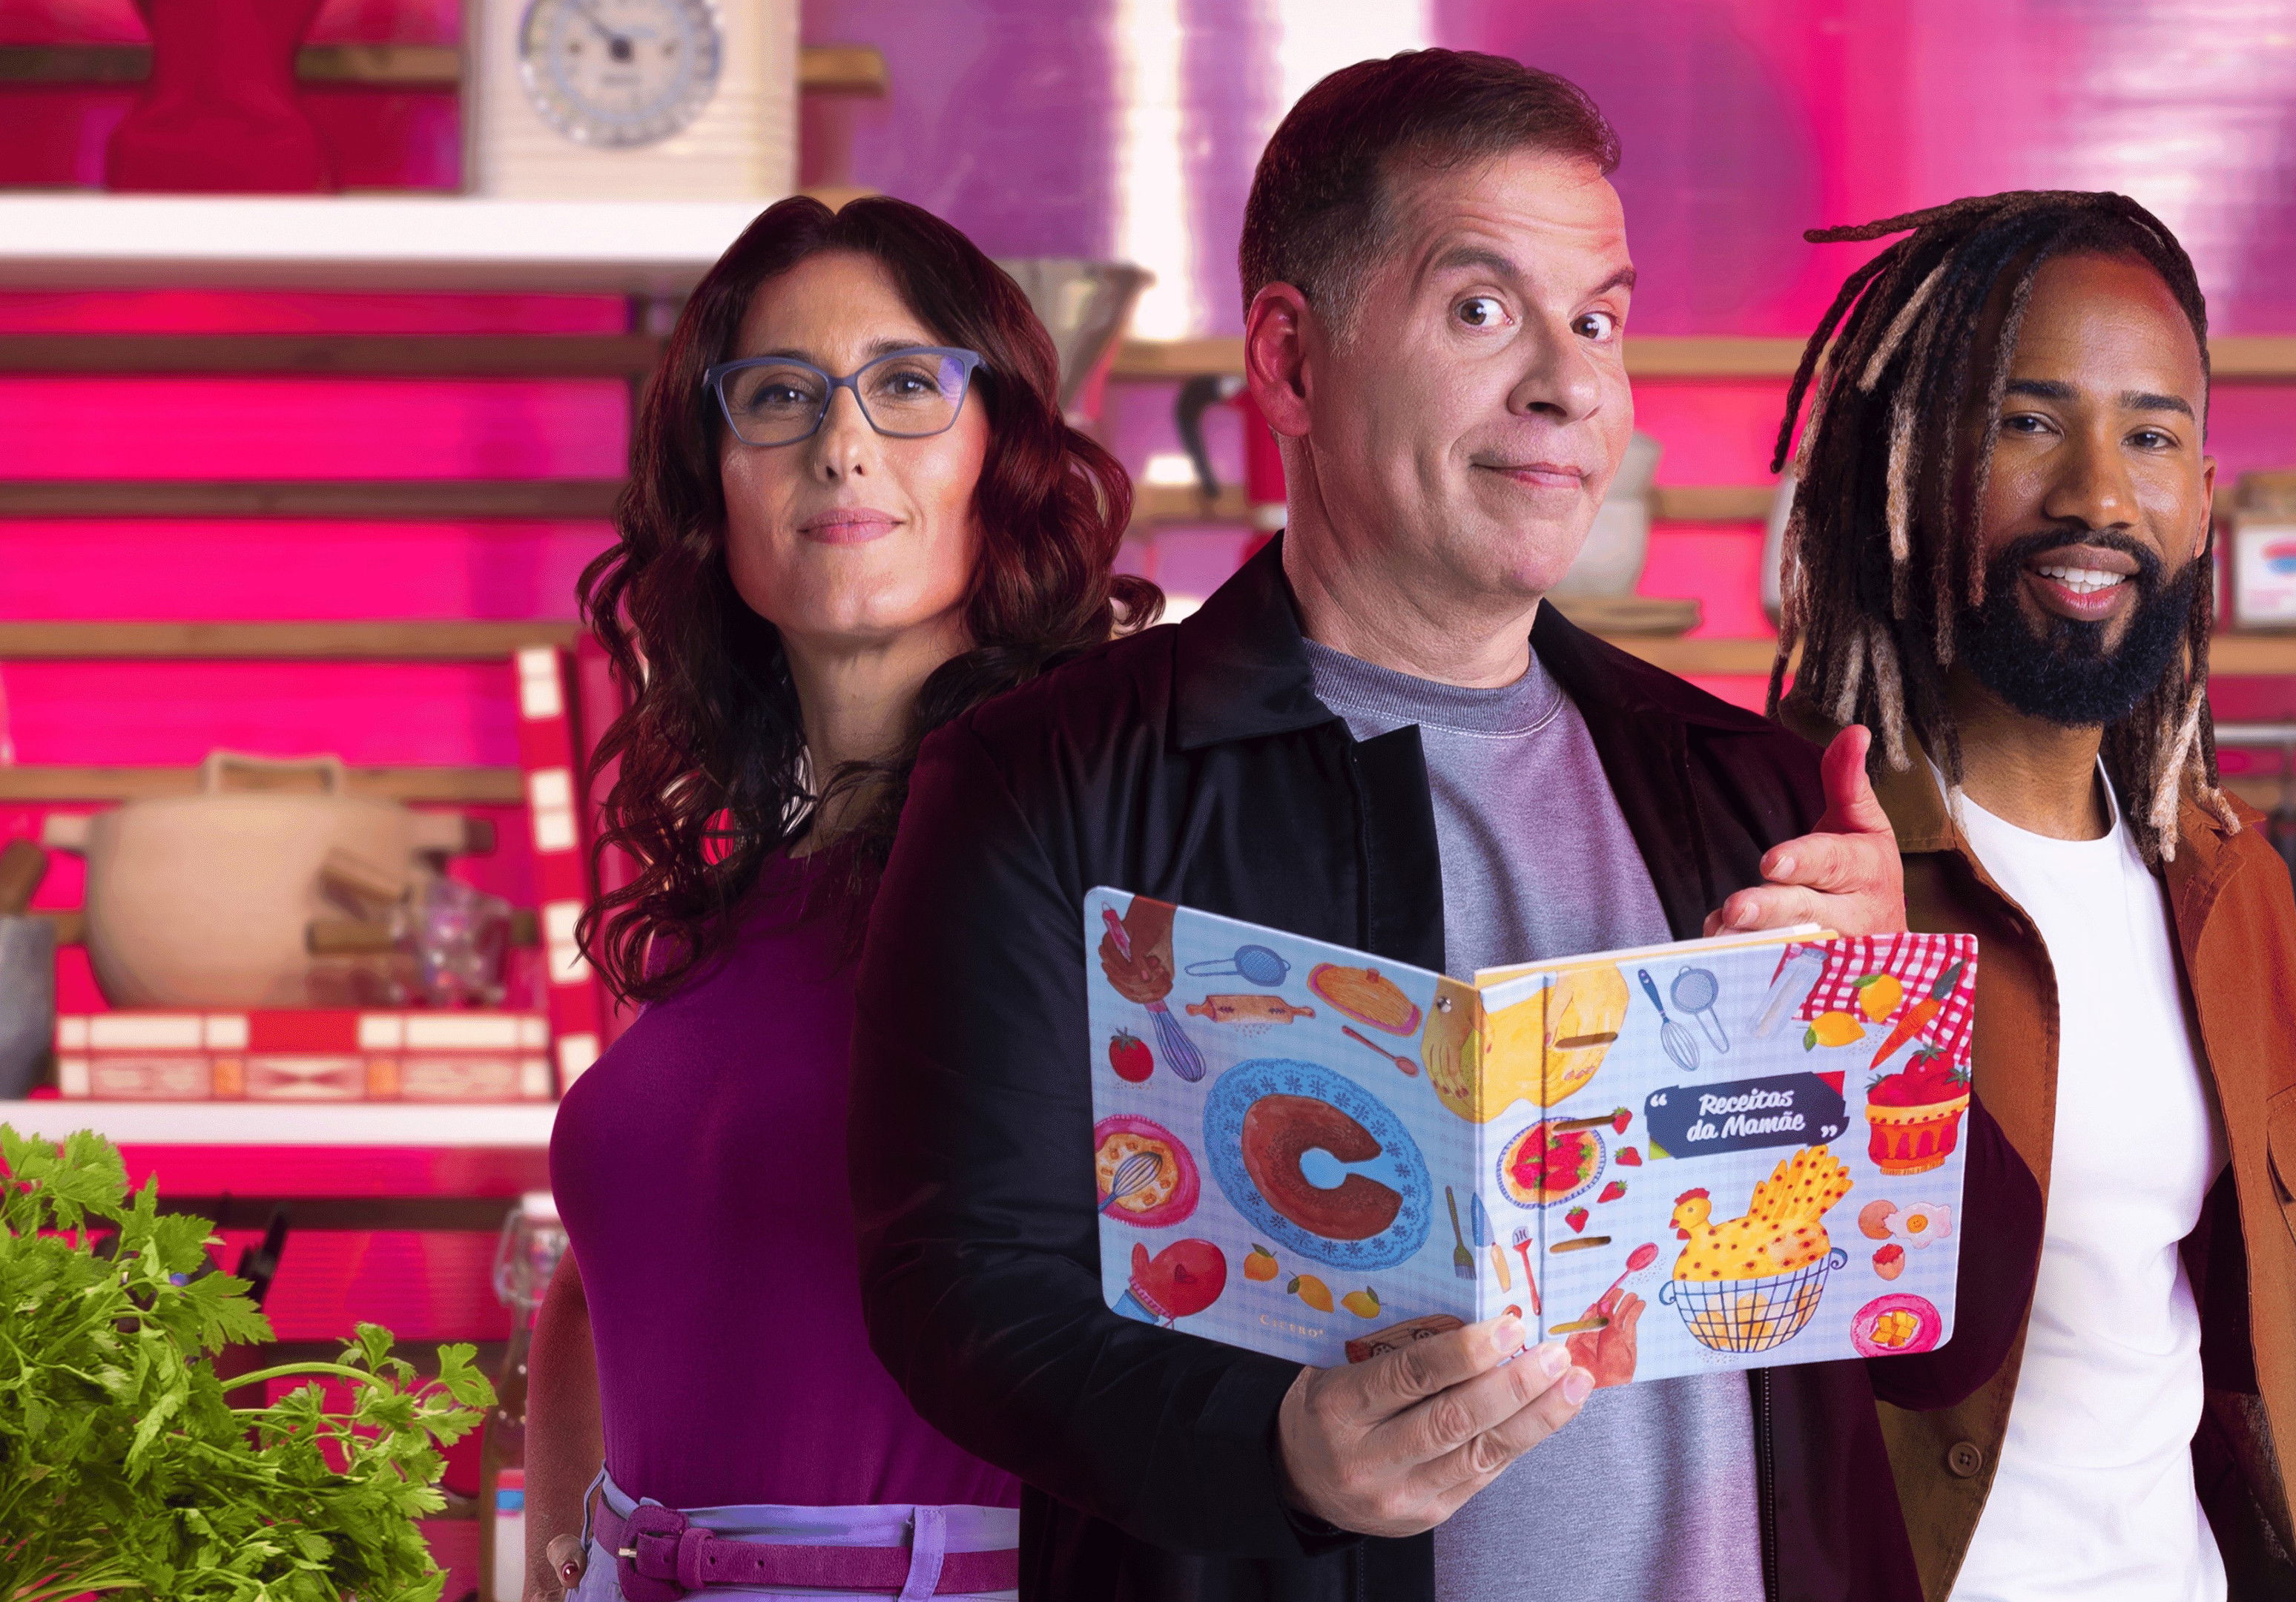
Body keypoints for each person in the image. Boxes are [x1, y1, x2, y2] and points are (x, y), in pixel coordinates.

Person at [851, 50, 2026, 1602]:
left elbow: (1945, 1345)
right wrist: (1274, 1452)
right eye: (1482, 310)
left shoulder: (1749, 787)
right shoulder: (1046, 782)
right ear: (1290, 362)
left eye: (1597, 320)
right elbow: (962, 1292)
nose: (1569, 385)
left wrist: (1888, 1042)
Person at [1761, 191, 2296, 1601]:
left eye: (2152, 436)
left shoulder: (2229, 885)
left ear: (2204, 496)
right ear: (1904, 465)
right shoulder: (1784, 868)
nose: (2100, 498)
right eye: (2027, 422)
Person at [522, 194, 1155, 1602]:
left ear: (1003, 455)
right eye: (780, 396)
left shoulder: (1098, 859)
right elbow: (596, 1288)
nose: (842, 442)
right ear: (713, 484)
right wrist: (563, 1569)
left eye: (908, 384)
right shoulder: (730, 895)